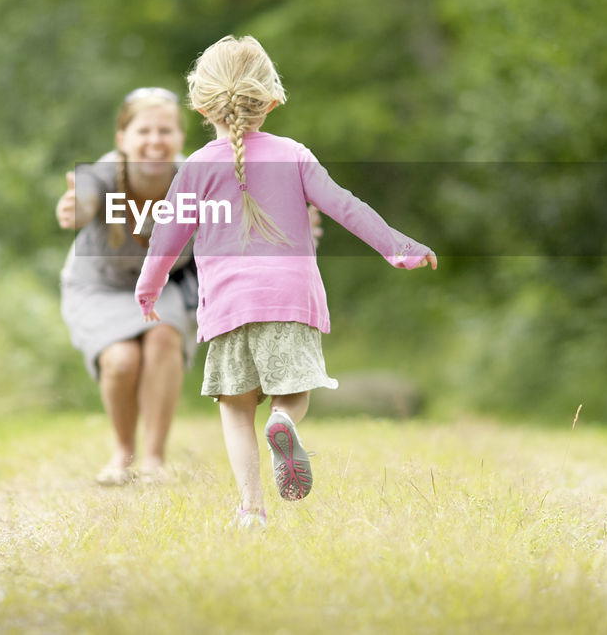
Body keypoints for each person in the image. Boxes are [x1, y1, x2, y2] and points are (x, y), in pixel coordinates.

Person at [135, 35, 436, 528]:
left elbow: (167, 237)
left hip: (229, 306)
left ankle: (251, 509)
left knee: (235, 408)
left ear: (198, 103)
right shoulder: (293, 153)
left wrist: (149, 288)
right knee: (293, 390)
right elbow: (345, 206)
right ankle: (284, 422)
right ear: (271, 100)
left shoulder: (193, 168)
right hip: (290, 300)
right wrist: (398, 247)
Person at [57, 87, 196, 485]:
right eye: (144, 131)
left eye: (165, 131)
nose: (155, 141)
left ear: (180, 137)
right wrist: (72, 209)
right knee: (121, 362)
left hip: (163, 286)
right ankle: (123, 453)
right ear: (122, 139)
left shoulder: (195, 178)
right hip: (99, 286)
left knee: (163, 341)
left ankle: (153, 460)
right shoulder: (102, 172)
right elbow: (81, 199)